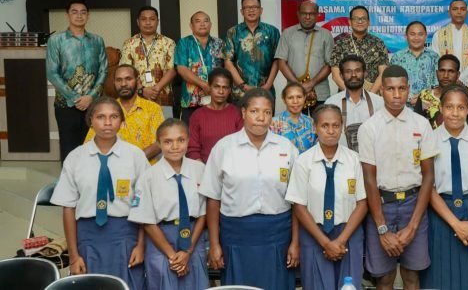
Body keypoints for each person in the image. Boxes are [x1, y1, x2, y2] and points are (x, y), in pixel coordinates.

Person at [199, 88, 300, 289]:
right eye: (254, 111)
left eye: (267, 112)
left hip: (277, 235)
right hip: (236, 236)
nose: (261, 118)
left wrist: (295, 242)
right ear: (243, 112)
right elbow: (212, 198)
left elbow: (297, 201)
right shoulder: (224, 148)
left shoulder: (286, 148)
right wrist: (215, 243)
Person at [50, 96, 149, 289]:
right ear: (91, 121)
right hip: (88, 237)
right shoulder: (76, 157)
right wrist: (73, 255)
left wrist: (141, 244)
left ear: (121, 122)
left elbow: (144, 204)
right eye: (101, 117)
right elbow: (68, 208)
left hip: (126, 237)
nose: (107, 122)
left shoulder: (135, 156)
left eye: (113, 117)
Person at [358, 65, 438, 290]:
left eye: (401, 88)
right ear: (381, 90)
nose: (396, 94)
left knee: (412, 275)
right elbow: (369, 180)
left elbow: (428, 176)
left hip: (414, 205)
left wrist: (412, 227)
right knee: (384, 278)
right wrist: (382, 228)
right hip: (381, 206)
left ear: (408, 89)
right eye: (390, 89)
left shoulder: (421, 125)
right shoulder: (369, 128)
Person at [420, 85, 468, 290]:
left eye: (460, 107)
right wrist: (456, 224)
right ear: (441, 108)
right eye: (449, 107)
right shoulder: (429, 141)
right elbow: (429, 188)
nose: (455, 113)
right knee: (442, 277)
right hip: (442, 215)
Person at [286, 105, 368, 290]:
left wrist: (340, 241)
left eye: (336, 125)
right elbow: (299, 206)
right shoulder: (303, 162)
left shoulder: (354, 160)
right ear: (315, 127)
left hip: (348, 234)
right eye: (325, 126)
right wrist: (325, 242)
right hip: (315, 234)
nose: (331, 131)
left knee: (350, 286)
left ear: (342, 126)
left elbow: (362, 203)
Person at [128, 119, 208, 290]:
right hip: (162, 240)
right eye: (168, 142)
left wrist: (187, 252)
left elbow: (203, 214)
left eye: (181, 140)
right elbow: (147, 220)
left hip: (193, 238)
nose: (175, 146)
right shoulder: (148, 176)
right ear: (159, 144)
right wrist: (173, 256)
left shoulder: (200, 170)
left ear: (188, 140)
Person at [46, 0, 108, 162]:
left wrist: (91, 97)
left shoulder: (97, 40)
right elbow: (52, 73)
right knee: (69, 149)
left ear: (88, 15)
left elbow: (104, 70)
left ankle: (93, 185)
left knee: (94, 148)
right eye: (74, 11)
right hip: (66, 104)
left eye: (83, 12)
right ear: (67, 15)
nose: (79, 15)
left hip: (93, 104)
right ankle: (70, 185)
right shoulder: (56, 41)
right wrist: (74, 98)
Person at [84, 64, 164, 165]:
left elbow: (159, 143)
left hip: (145, 173)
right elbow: (89, 144)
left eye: (128, 79)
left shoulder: (153, 109)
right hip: (111, 172)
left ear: (138, 81)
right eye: (119, 80)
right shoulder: (105, 110)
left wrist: (130, 162)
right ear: (114, 83)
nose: (123, 84)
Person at [276, 0, 334, 114]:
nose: (307, 17)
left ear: (317, 15)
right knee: (296, 128)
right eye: (304, 13)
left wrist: (311, 83)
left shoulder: (326, 35)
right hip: (294, 95)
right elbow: (281, 62)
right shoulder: (287, 33)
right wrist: (298, 86)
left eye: (311, 14)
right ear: (298, 14)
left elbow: (330, 64)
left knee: (321, 127)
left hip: (320, 93)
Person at [120, 6, 177, 115]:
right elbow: (125, 71)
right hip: (135, 98)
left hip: (163, 97)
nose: (148, 22)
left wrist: (156, 88)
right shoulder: (129, 44)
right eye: (144, 19)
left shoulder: (169, 43)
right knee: (137, 131)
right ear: (138, 22)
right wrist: (142, 90)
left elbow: (173, 69)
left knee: (165, 131)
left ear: (158, 21)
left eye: (152, 19)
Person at [224, 0, 281, 99]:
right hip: (240, 92)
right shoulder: (232, 32)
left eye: (254, 7)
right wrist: (242, 85)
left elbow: (277, 60)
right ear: (242, 11)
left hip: (266, 91)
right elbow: (228, 61)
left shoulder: (272, 31)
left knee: (265, 115)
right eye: (247, 8)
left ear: (261, 10)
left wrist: (268, 85)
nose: (251, 10)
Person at [324, 54, 385, 150]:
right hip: (343, 161)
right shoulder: (331, 104)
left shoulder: (379, 103)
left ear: (365, 73)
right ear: (341, 75)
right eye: (348, 71)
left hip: (373, 160)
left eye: (358, 71)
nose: (353, 75)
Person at [175, 11, 225, 123]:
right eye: (198, 21)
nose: (202, 24)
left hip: (216, 98)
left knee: (215, 133)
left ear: (211, 24)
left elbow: (224, 69)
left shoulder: (219, 43)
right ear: (191, 26)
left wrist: (212, 88)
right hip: (191, 101)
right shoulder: (184, 43)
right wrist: (204, 85)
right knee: (190, 135)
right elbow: (182, 69)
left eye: (206, 21)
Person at [187, 67, 243, 163]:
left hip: (233, 171)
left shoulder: (237, 113)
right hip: (203, 171)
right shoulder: (197, 116)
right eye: (216, 86)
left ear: (230, 90)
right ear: (209, 87)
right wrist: (204, 173)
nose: (221, 92)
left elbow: (243, 146)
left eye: (225, 87)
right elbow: (192, 150)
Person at [330, 6, 390, 93]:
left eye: (363, 19)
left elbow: (383, 73)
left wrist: (369, 96)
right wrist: (351, 95)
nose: (360, 21)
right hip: (346, 95)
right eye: (356, 19)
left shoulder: (378, 44)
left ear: (369, 22)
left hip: (373, 96)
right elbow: (336, 75)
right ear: (350, 22)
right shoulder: (340, 44)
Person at [431, 0, 468, 88]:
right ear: (449, 12)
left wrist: (462, 79)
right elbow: (435, 60)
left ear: (467, 12)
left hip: (467, 84)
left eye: (462, 9)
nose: (459, 12)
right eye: (455, 9)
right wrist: (449, 78)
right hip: (445, 84)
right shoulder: (438, 35)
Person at [414, 54, 468, 129]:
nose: (446, 75)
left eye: (451, 71)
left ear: (458, 74)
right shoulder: (425, 95)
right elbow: (417, 126)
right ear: (437, 73)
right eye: (442, 71)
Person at [390, 21, 439, 105]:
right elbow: (391, 83)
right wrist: (409, 98)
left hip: (428, 106)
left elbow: (437, 86)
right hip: (402, 106)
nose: (416, 38)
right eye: (412, 34)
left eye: (420, 34)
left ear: (426, 36)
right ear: (406, 36)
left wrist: (422, 98)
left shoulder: (434, 57)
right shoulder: (397, 57)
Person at [276, 82, 317, 153]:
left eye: (299, 97)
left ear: (304, 98)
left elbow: (316, 150)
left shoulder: (311, 122)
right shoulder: (274, 123)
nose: (295, 101)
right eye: (290, 98)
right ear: (284, 99)